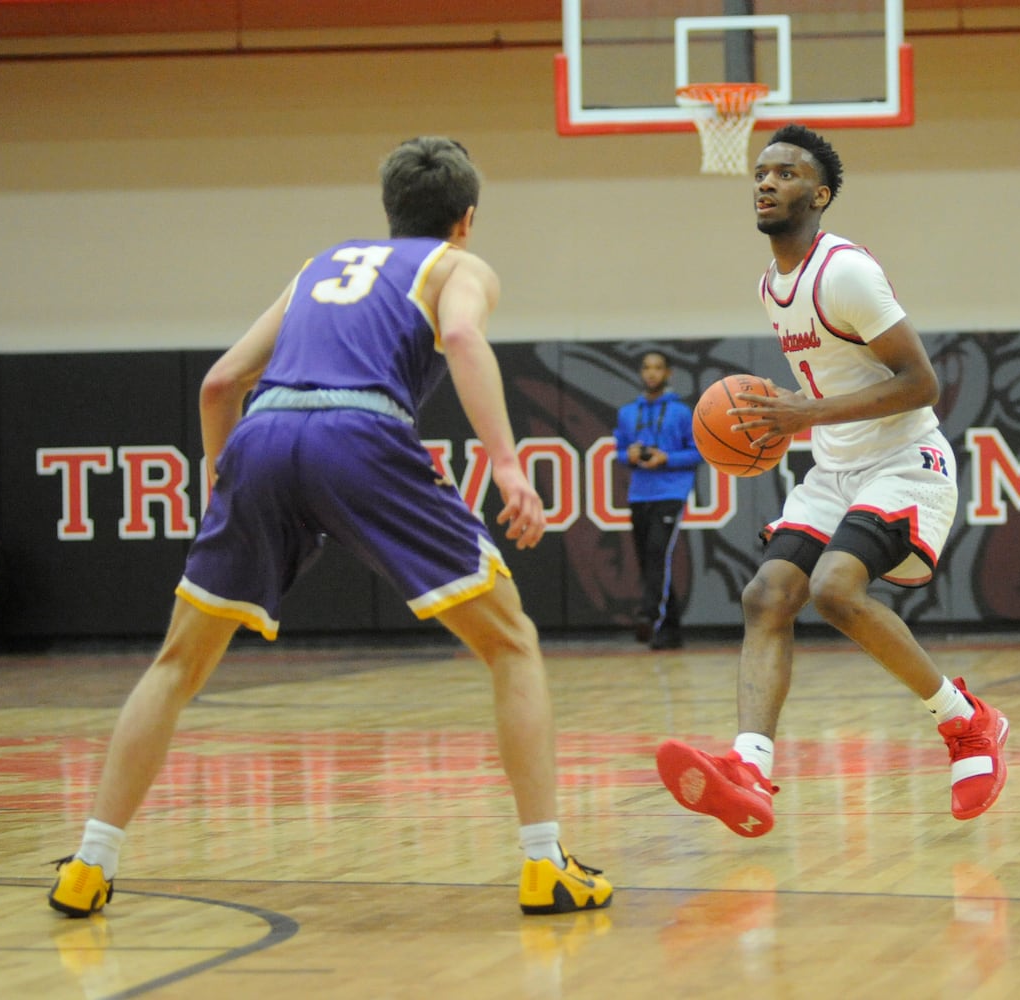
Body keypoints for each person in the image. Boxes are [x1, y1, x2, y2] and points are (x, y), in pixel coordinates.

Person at [48, 136, 611, 918]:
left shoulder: (319, 266)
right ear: (466, 220)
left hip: (263, 432)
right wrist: (510, 467)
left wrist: (224, 479)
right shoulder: (456, 267)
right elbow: (460, 337)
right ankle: (546, 864)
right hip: (361, 433)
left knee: (176, 664)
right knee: (511, 643)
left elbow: (219, 383)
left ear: (387, 213)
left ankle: (88, 863)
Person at [656, 124, 1008, 837]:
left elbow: (922, 384)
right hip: (837, 465)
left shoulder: (844, 272)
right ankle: (749, 769)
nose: (765, 182)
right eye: (760, 172)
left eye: (785, 173)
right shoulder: (769, 285)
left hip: (907, 460)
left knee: (834, 588)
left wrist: (802, 414)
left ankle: (968, 723)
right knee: (767, 595)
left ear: (818, 195)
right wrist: (805, 424)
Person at [613, 351, 701, 650]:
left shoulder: (681, 412)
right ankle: (671, 630)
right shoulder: (627, 413)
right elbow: (620, 451)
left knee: (657, 553)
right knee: (649, 561)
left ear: (668, 373)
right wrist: (631, 455)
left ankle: (649, 614)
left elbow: (698, 452)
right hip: (639, 492)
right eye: (647, 368)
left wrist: (667, 458)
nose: (651, 373)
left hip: (671, 491)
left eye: (658, 368)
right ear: (640, 373)